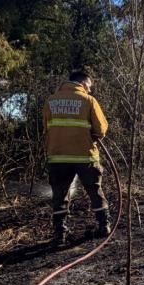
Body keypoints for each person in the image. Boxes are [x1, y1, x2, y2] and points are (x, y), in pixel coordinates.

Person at [43, 70, 110, 244]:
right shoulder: (88, 101)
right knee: (95, 190)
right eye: (89, 86)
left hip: (58, 157)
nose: (89, 90)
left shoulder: (51, 101)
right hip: (85, 156)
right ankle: (104, 226)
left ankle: (59, 233)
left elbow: (47, 126)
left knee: (59, 195)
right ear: (82, 83)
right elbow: (101, 129)